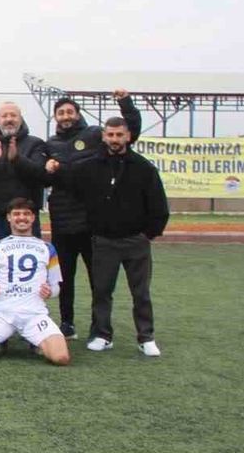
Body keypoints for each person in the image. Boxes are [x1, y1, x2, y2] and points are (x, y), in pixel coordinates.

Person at [46, 117, 169, 357]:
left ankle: (146, 337)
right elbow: (68, 179)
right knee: (102, 291)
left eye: (119, 135)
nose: (114, 139)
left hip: (136, 241)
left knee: (141, 293)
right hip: (103, 241)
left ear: (128, 136)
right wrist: (53, 168)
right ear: (103, 137)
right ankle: (103, 335)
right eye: (110, 135)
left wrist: (148, 234)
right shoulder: (90, 166)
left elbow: (158, 205)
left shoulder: (143, 168)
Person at [44, 90, 141, 339]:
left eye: (70, 112)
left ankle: (99, 327)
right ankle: (67, 323)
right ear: (56, 117)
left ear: (78, 114)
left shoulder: (95, 135)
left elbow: (130, 131)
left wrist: (125, 103)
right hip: (62, 223)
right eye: (61, 113)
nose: (66, 116)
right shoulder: (51, 144)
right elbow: (43, 177)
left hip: (91, 222)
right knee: (64, 278)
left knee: (98, 279)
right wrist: (47, 169)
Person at [0, 198, 70, 366]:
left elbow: (56, 287)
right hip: (1, 313)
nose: (21, 218)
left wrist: (50, 292)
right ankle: (0, 338)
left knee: (61, 357)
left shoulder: (47, 248)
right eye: (17, 214)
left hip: (34, 314)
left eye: (26, 214)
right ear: (9, 217)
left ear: (33, 218)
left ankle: (36, 340)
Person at [0, 102, 49, 249]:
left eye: (13, 115)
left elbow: (41, 176)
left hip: (25, 216)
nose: (9, 119)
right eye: (4, 116)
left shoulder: (35, 144)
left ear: (21, 119)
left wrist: (17, 160)